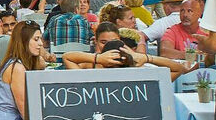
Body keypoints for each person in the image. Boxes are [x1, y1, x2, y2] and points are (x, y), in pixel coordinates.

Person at [61, 24, 194, 80]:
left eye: (114, 41)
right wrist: (99, 58)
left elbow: (178, 69)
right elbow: (67, 57)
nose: (110, 46)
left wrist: (145, 58)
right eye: (104, 42)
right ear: (96, 42)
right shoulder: (89, 67)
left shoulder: (136, 69)